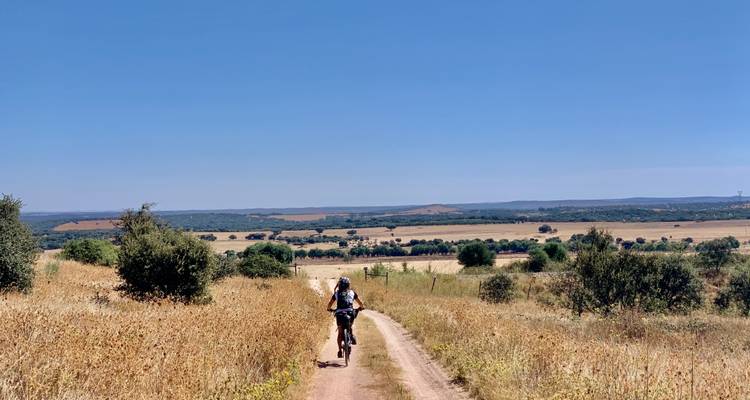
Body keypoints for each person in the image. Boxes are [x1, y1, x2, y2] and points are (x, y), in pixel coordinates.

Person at [326, 276, 365, 358]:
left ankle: (340, 351)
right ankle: (351, 336)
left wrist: (329, 309)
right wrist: (361, 307)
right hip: (350, 313)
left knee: (340, 333)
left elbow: (329, 305)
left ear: (339, 285)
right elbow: (360, 303)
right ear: (348, 285)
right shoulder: (352, 293)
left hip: (339, 314)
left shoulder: (336, 293)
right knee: (350, 325)